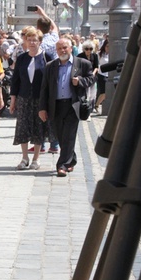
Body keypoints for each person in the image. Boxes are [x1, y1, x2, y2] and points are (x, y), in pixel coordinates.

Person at [39, 38, 94, 177]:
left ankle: (62, 165)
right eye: (59, 48)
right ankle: (71, 159)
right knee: (60, 135)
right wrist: (42, 108)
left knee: (69, 135)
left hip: (72, 105)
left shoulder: (83, 64)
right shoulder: (50, 66)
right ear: (56, 51)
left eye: (65, 47)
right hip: (55, 105)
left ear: (71, 48)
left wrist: (80, 81)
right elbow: (44, 89)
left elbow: (91, 79)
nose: (62, 50)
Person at [10, 27, 51, 171]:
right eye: (29, 40)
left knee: (38, 127)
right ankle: (24, 157)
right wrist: (13, 100)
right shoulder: (22, 58)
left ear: (40, 42)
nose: (32, 42)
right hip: (24, 97)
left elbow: (51, 81)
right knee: (22, 127)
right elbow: (15, 81)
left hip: (40, 99)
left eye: (35, 40)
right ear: (25, 41)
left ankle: (36, 158)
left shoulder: (47, 57)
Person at [95, 38, 110, 115]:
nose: (108, 47)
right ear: (104, 46)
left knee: (106, 92)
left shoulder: (113, 54)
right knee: (104, 92)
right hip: (101, 74)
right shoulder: (100, 54)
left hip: (109, 74)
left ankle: (97, 104)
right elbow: (96, 64)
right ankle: (97, 105)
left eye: (110, 46)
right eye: (107, 46)